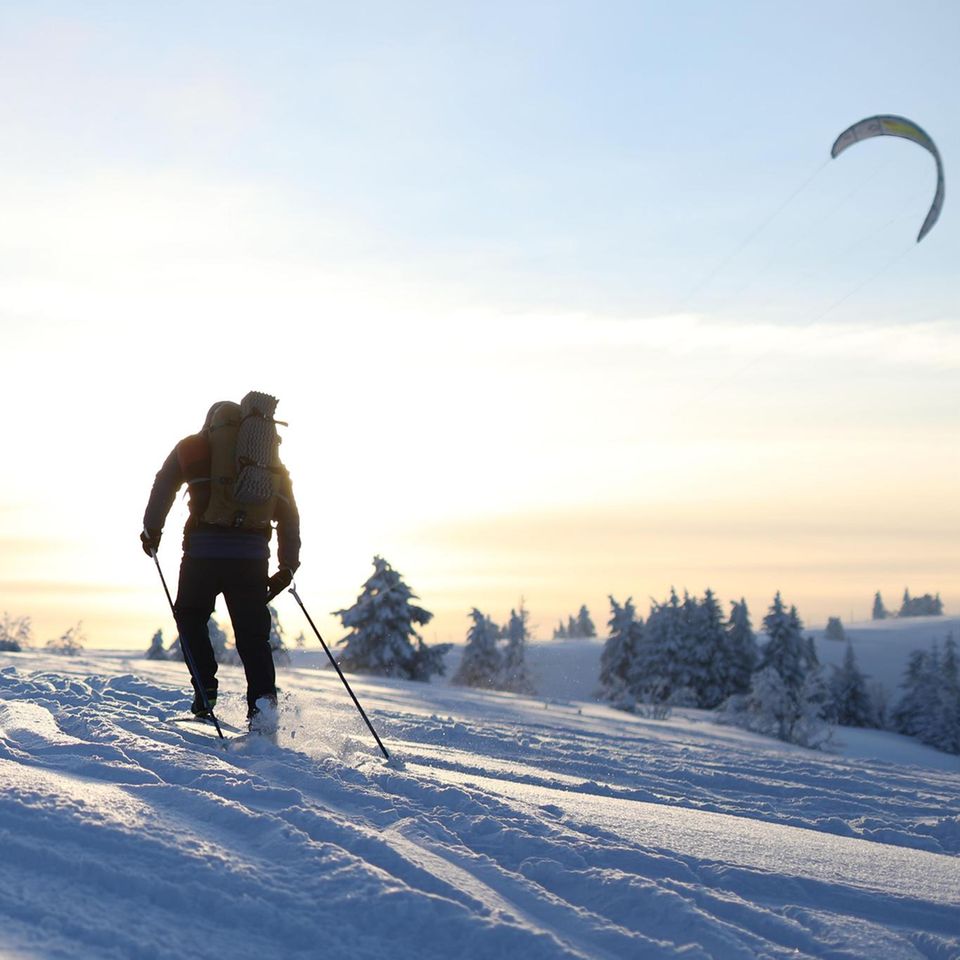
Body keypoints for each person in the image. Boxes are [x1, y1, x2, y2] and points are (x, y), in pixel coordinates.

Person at [141, 396, 300, 729]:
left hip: (202, 553)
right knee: (253, 638)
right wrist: (287, 565)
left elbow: (164, 482)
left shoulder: (192, 447)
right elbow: (288, 514)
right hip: (252, 558)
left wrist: (152, 530)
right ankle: (263, 711)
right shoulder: (268, 462)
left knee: (190, 615)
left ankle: (205, 688)